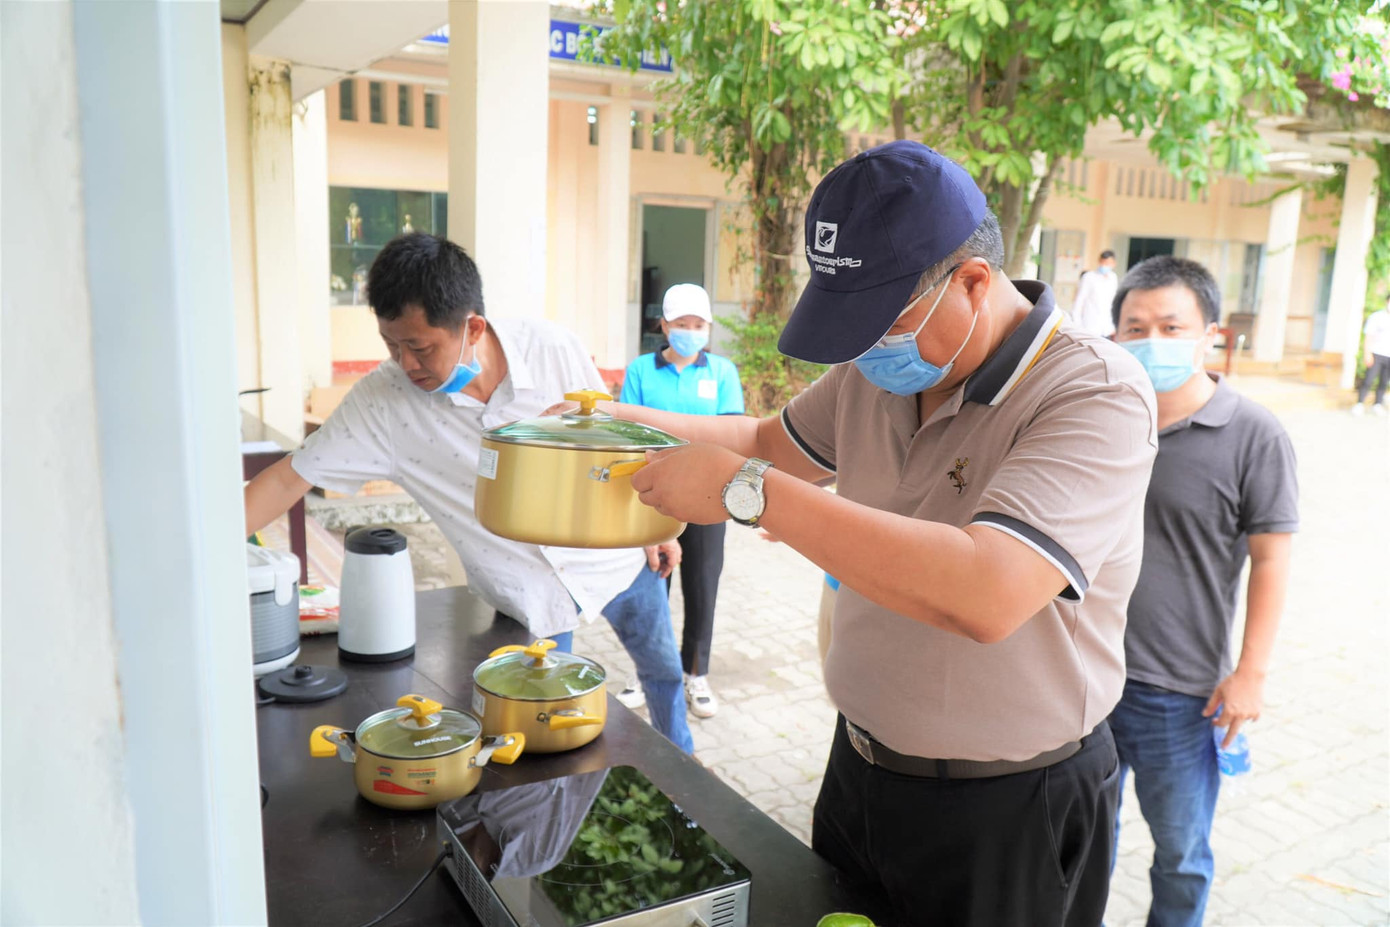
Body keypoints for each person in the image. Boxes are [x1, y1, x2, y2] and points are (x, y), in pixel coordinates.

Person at [556, 140, 1159, 925]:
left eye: (883, 319)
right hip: (861, 771)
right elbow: (766, 443)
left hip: (1009, 806)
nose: (867, 346)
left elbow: (988, 589)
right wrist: (622, 420)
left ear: (973, 282)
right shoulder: (874, 373)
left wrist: (750, 496)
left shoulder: (1093, 392)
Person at [243, 233, 694, 754]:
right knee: (543, 738)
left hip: (614, 562)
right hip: (525, 596)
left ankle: (686, 762)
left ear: (472, 327)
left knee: (662, 670)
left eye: (420, 346)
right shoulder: (383, 402)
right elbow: (287, 477)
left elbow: (611, 445)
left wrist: (649, 525)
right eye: (392, 345)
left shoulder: (553, 348)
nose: (406, 364)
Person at [1107, 256, 1299, 926]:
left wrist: (1251, 671)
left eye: (1170, 324)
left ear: (1208, 332)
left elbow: (1273, 556)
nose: (1152, 338)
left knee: (1181, 852)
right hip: (1084, 678)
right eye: (1136, 326)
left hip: (1181, 694)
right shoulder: (1101, 417)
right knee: (1080, 843)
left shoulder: (1252, 433)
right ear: (1115, 336)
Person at [619, 283, 745, 718]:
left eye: (698, 325)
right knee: (653, 585)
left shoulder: (722, 373)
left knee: (702, 585)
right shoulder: (641, 370)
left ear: (707, 328)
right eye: (681, 324)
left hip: (710, 497)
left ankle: (696, 675)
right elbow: (629, 436)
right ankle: (645, 670)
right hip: (653, 496)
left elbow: (732, 432)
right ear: (665, 325)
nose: (690, 332)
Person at [1352, 297, 1390, 415]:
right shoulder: (1377, 317)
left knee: (1384, 381)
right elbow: (1369, 337)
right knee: (1369, 379)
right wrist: (1367, 354)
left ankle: (1377, 404)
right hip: (1376, 353)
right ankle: (1360, 403)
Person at [1072, 249, 1119, 337]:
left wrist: (1114, 326)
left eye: (1107, 264)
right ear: (1099, 261)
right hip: (1089, 327)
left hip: (1107, 328)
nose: (1104, 266)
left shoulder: (1113, 278)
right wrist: (1077, 325)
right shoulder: (1089, 277)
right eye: (1102, 263)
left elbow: (1113, 302)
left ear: (1113, 264)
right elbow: (1079, 301)